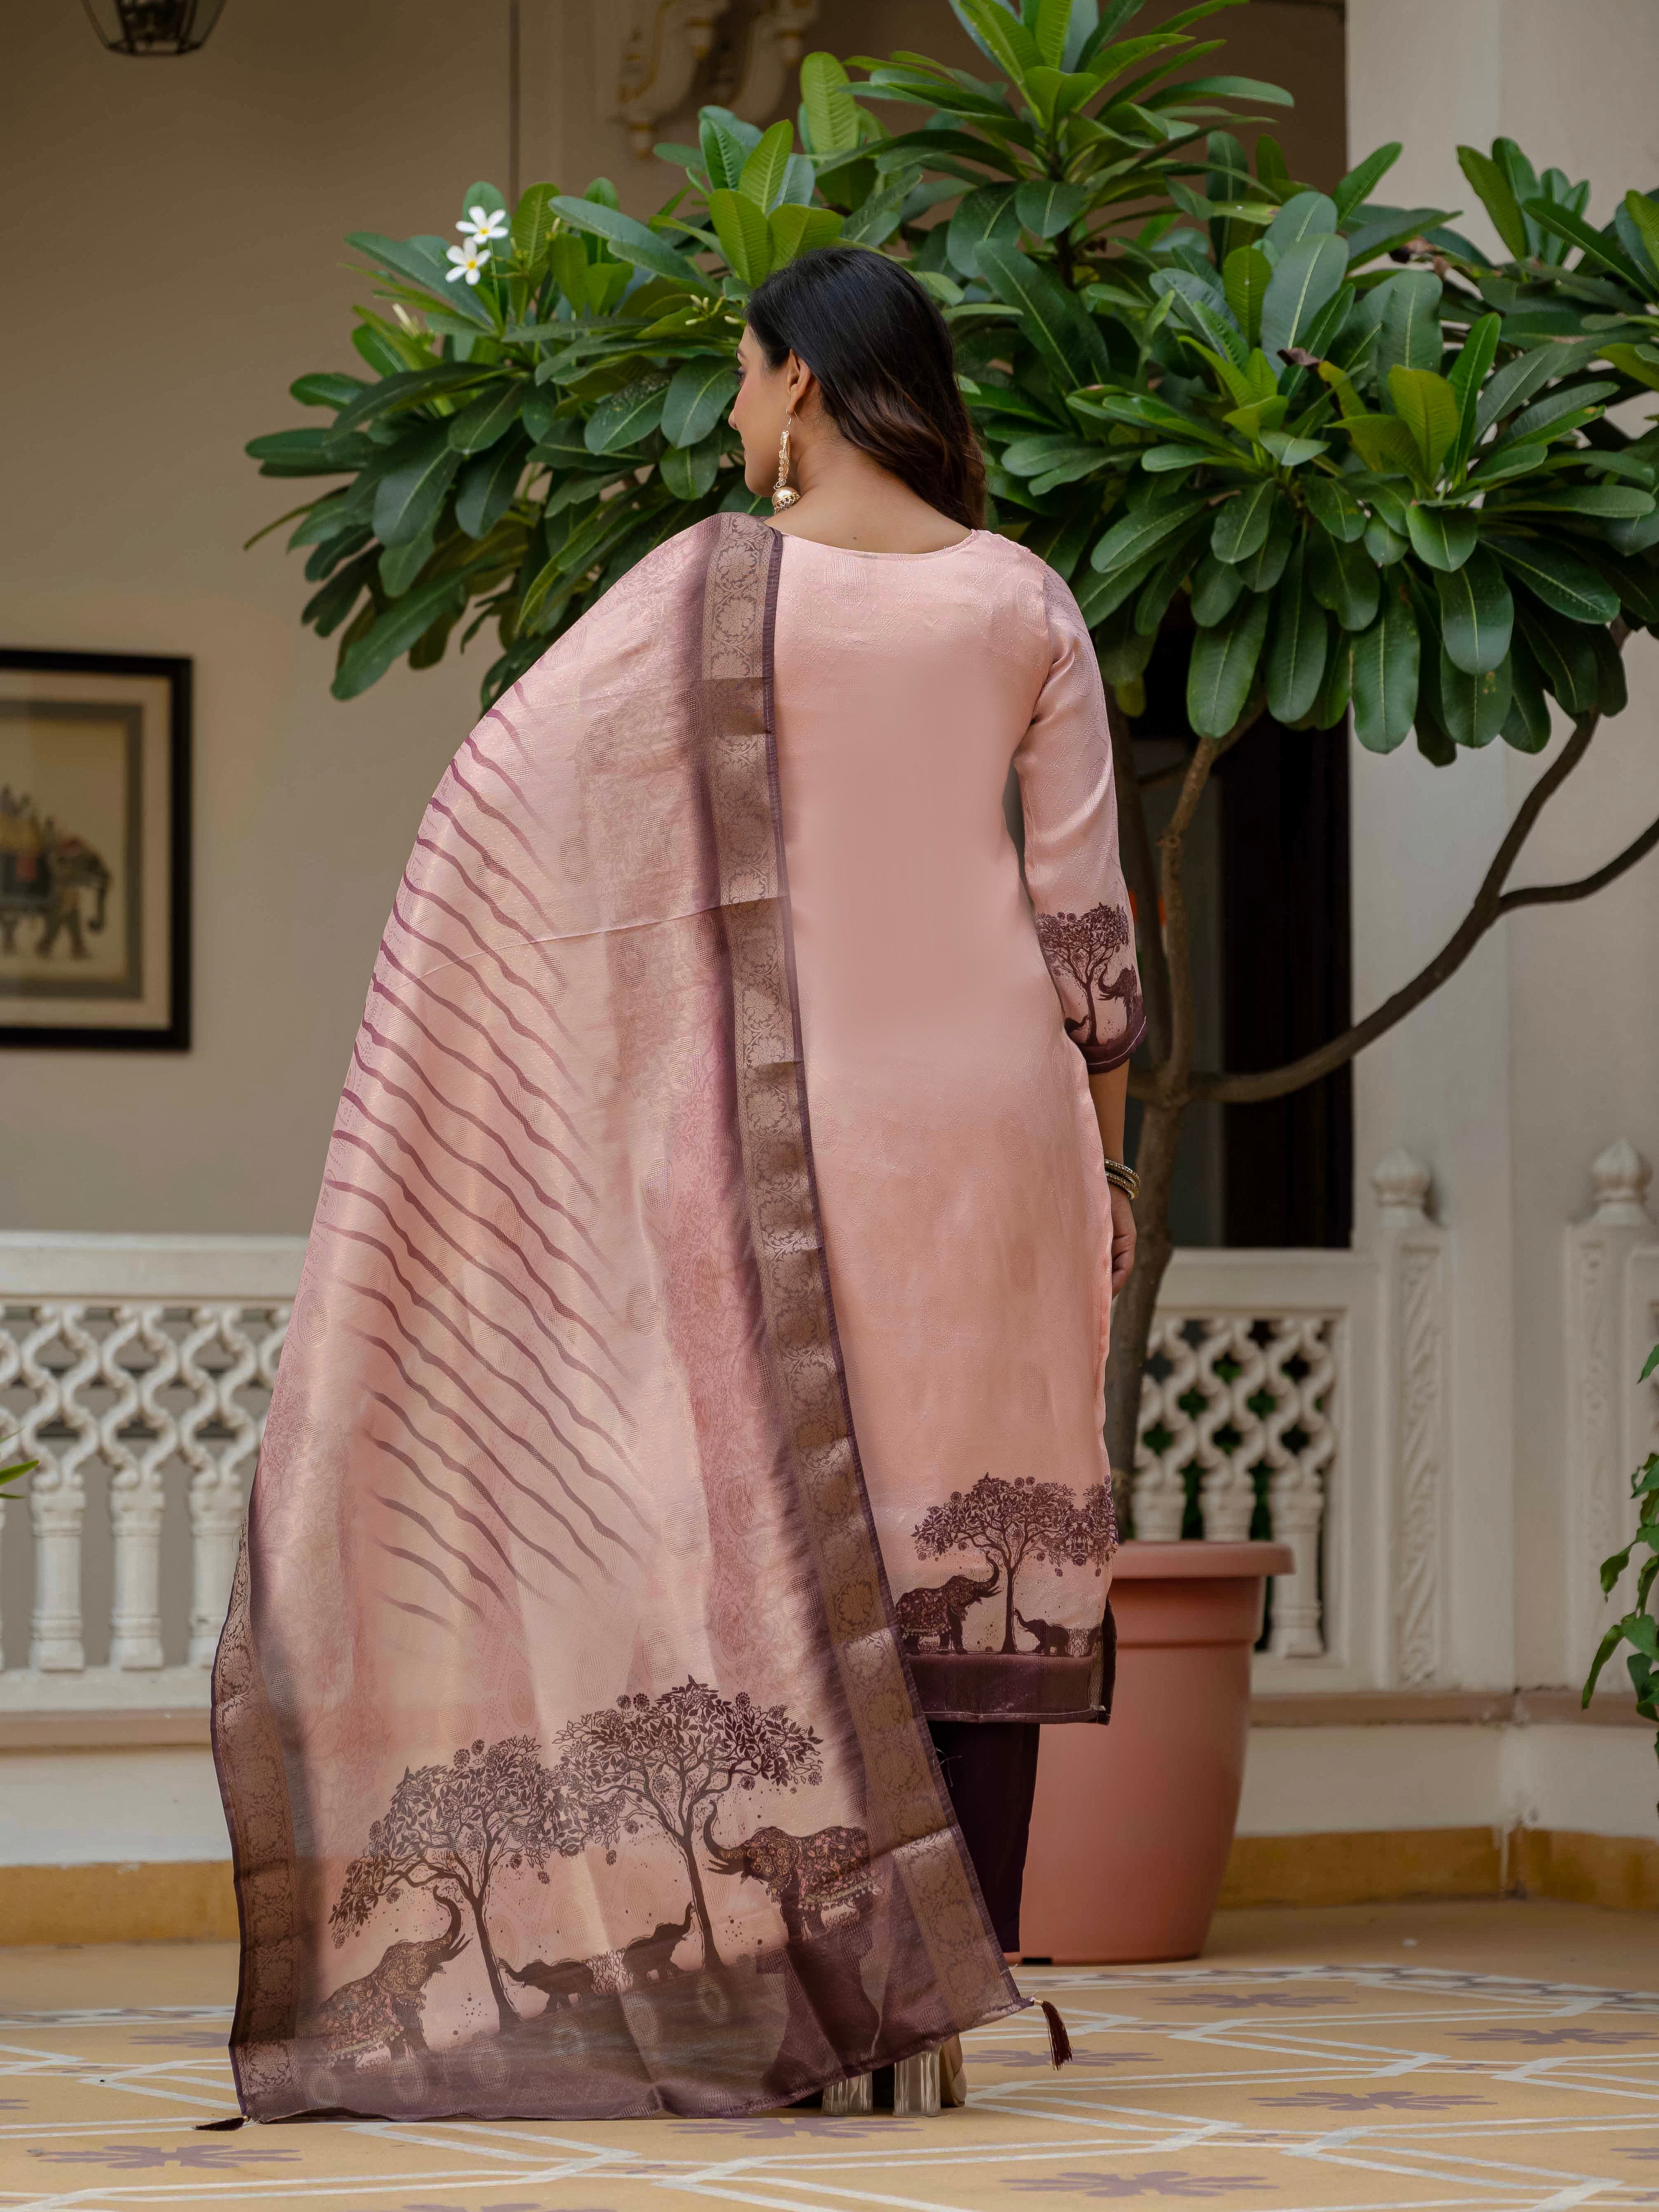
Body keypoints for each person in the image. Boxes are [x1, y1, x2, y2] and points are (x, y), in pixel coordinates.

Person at [212, 247, 1144, 2126]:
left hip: (767, 1131)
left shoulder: (701, 594)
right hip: (994, 1121)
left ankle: (793, 1977)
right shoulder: (1022, 598)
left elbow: (496, 801)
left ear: (802, 383)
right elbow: (1090, 946)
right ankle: (944, 2007)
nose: (730, 413)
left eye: (739, 376)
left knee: (768, 1539)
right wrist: (1094, 1138)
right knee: (971, 1547)